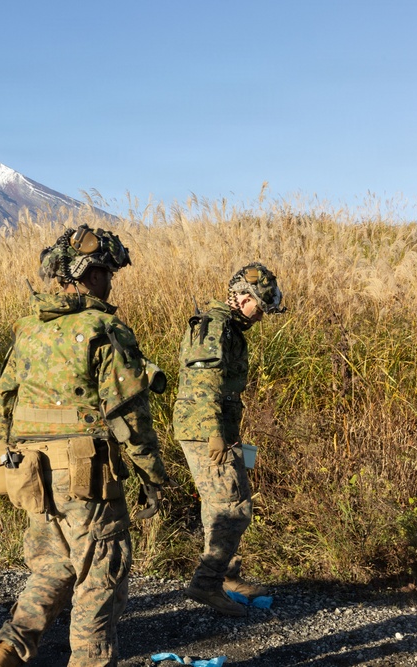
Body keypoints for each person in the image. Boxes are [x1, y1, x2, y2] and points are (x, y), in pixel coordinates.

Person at [0, 225, 168, 667]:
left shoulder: (29, 328)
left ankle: (4, 655)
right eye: (108, 274)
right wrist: (153, 475)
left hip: (30, 471)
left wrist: (15, 455)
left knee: (53, 567)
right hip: (85, 475)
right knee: (100, 575)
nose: (111, 283)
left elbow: (2, 401)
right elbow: (128, 415)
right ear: (92, 275)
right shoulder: (104, 328)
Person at [173, 262, 285, 616]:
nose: (261, 316)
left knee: (221, 503)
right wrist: (214, 433)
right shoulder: (215, 327)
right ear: (242, 297)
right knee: (232, 508)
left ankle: (226, 575)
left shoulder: (228, 328)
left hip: (218, 429)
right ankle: (206, 583)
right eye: (259, 308)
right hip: (206, 430)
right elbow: (204, 383)